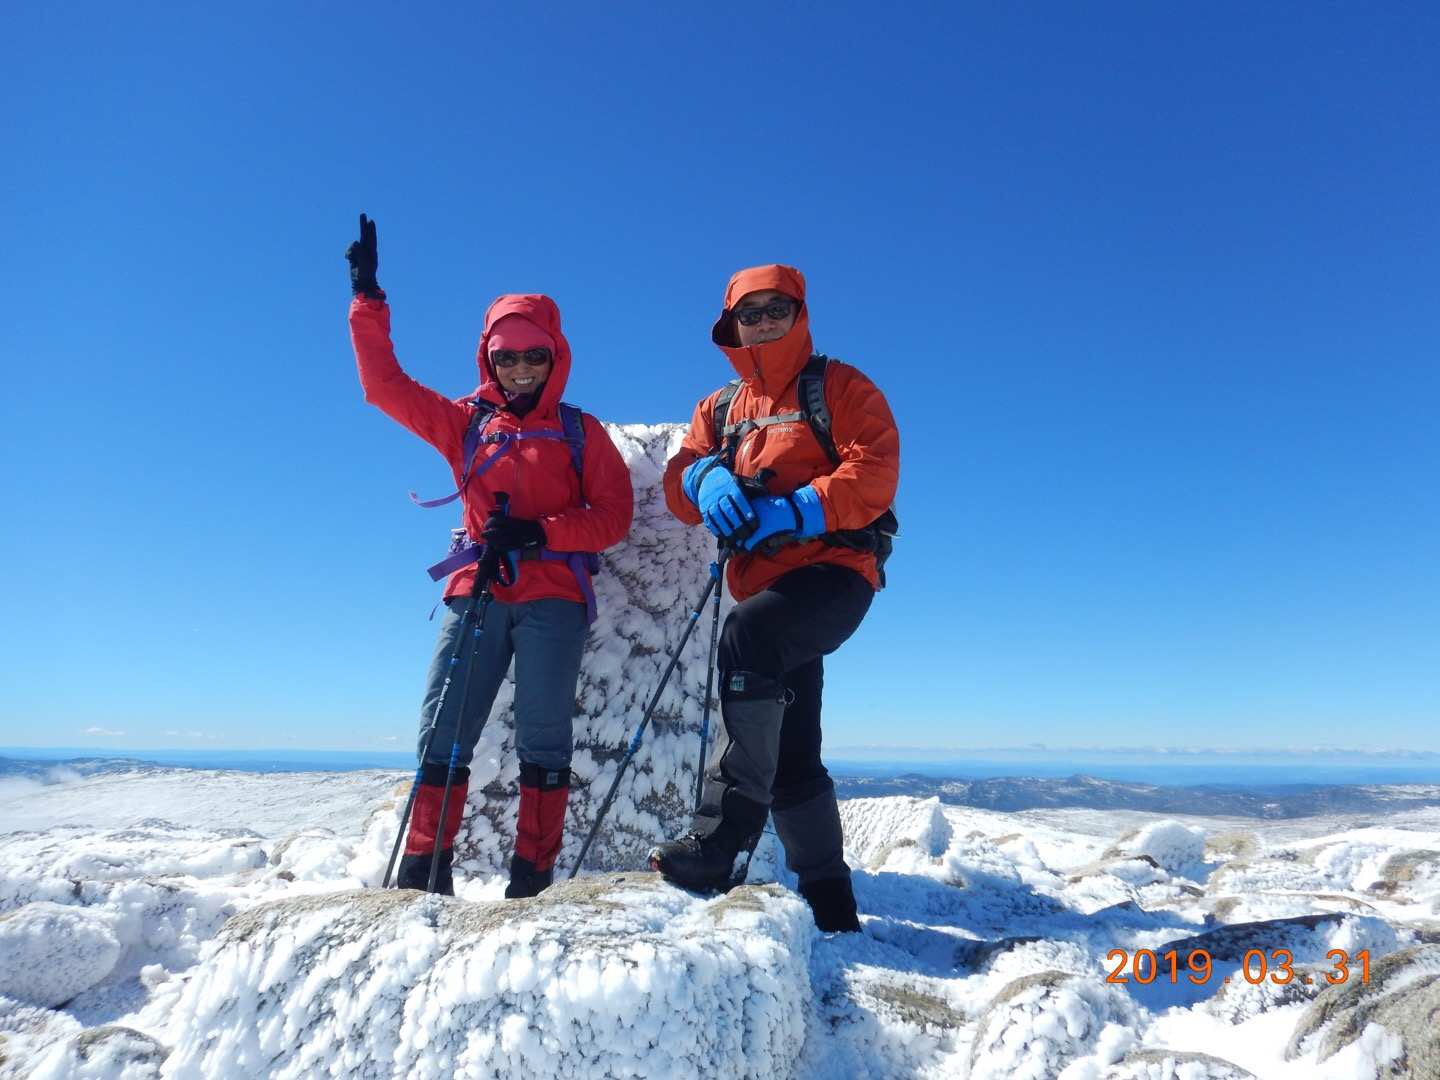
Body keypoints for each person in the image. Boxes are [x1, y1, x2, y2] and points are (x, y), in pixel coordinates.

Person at [345, 214, 633, 898]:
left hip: (553, 596)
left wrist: (543, 534)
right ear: (488, 358)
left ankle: (531, 880)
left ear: (555, 357)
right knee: (444, 729)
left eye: (535, 356)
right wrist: (367, 300)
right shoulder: (465, 422)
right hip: (477, 588)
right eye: (508, 357)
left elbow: (612, 517)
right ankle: (424, 870)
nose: (522, 368)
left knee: (544, 739)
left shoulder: (579, 432)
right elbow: (383, 388)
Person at [649, 264, 899, 932]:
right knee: (792, 748)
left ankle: (721, 840)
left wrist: (796, 509)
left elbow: (874, 469)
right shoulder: (721, 409)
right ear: (730, 325)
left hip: (837, 572)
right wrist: (704, 477)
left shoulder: (838, 386)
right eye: (748, 313)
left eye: (774, 309)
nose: (761, 322)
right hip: (769, 582)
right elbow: (678, 483)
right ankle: (831, 906)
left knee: (749, 638)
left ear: (800, 311)